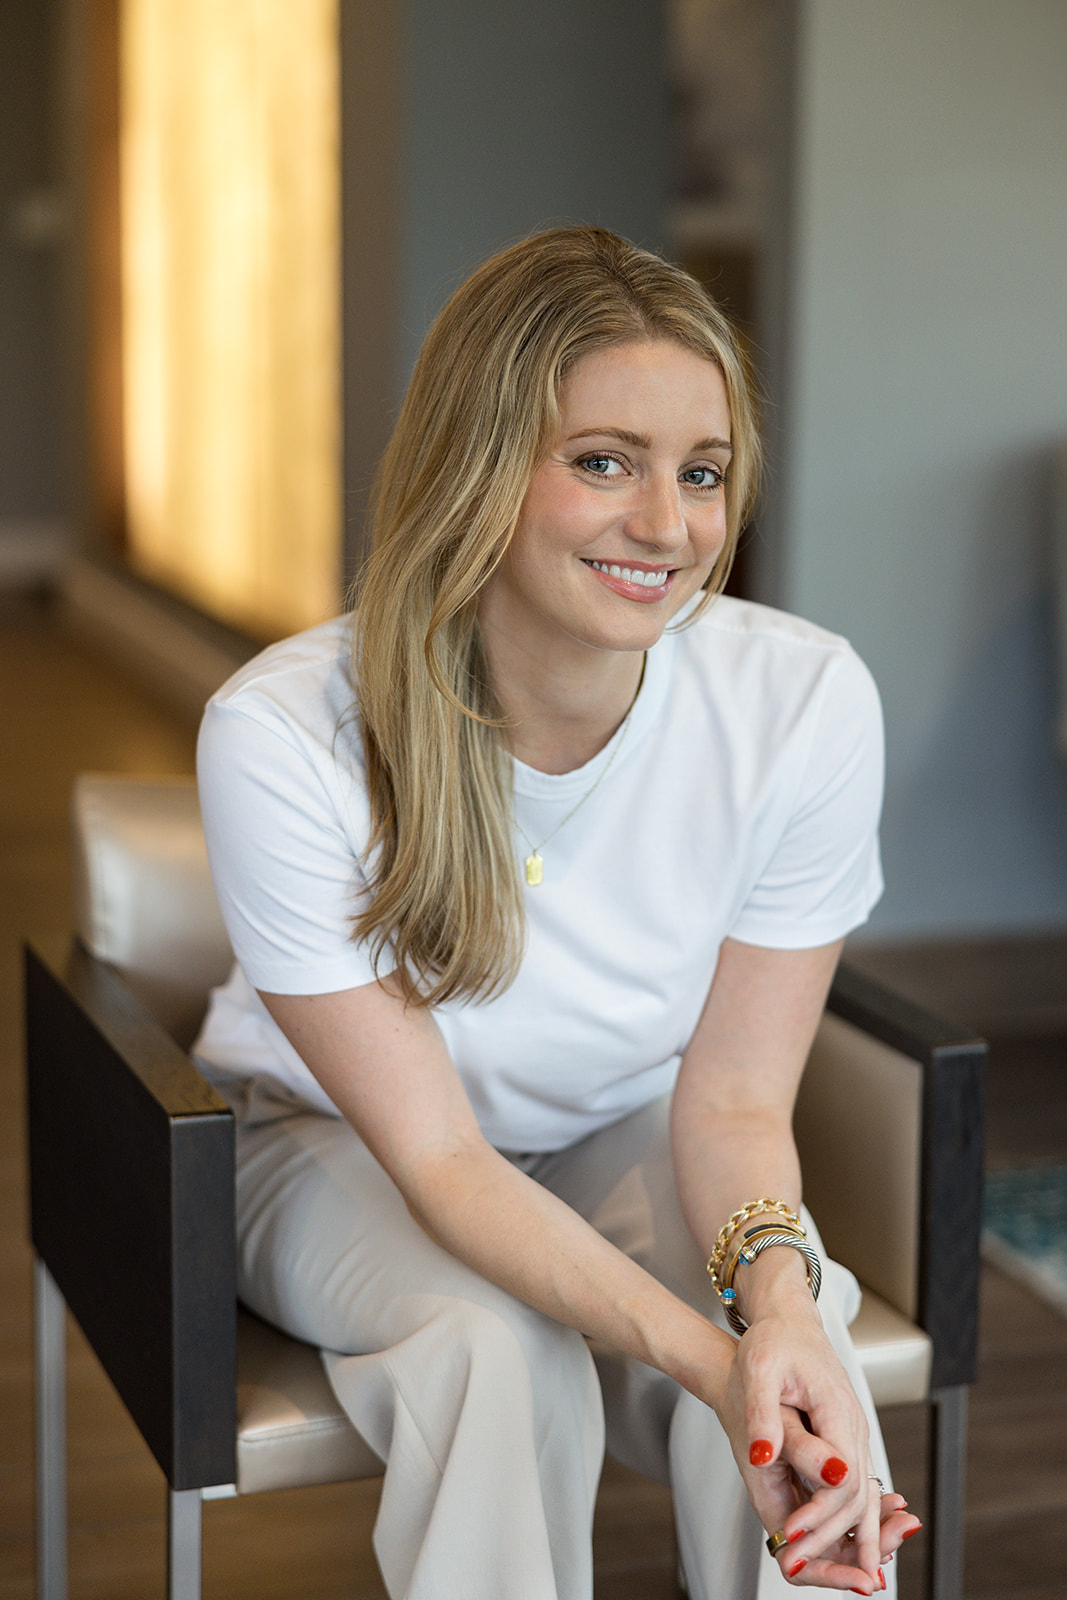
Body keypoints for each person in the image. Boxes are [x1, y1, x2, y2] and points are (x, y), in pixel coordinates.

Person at [193, 224, 921, 1599]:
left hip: (619, 1123)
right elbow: (442, 1162)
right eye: (602, 461)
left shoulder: (805, 701)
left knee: (799, 1331)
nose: (667, 526)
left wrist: (771, 1309)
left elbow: (731, 1104)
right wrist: (706, 1359)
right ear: (479, 467)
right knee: (495, 1347)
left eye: (700, 472)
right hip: (327, 1139)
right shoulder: (285, 733)